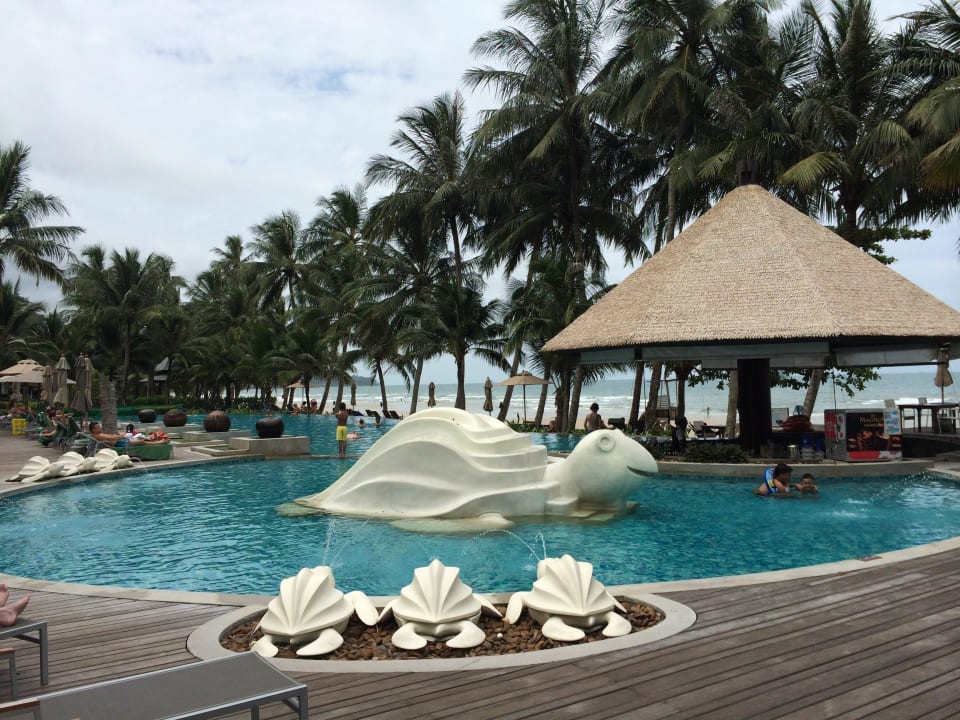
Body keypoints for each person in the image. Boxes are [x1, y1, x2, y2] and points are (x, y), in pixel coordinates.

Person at [89, 421, 169, 446]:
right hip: (120, 443)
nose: (100, 428)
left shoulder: (99, 434)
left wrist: (123, 434)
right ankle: (160, 442)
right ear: (93, 429)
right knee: (141, 441)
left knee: (140, 437)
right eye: (98, 427)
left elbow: (111, 436)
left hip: (121, 440)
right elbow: (112, 438)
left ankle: (157, 438)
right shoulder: (98, 436)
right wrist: (123, 435)